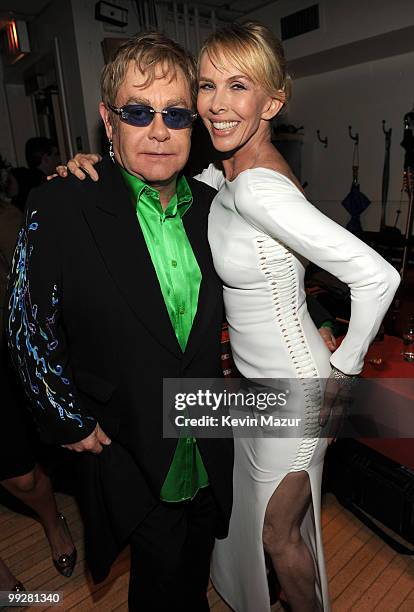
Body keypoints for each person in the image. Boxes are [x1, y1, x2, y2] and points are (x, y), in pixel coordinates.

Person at [61, 22, 400, 612]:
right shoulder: (228, 174)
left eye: (238, 86)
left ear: (272, 101)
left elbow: (379, 277)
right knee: (219, 479)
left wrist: (340, 377)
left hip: (300, 392)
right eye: (208, 85)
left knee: (278, 533)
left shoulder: (259, 190)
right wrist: (99, 159)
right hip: (251, 385)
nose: (216, 104)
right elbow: (178, 179)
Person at [7, 32, 233, 611]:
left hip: (207, 433)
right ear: (109, 123)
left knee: (193, 567)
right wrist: (66, 420)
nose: (158, 129)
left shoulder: (216, 209)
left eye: (176, 115)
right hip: (128, 441)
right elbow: (27, 324)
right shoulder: (63, 203)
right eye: (138, 112)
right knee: (157, 583)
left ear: (193, 126)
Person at [0, 173, 76, 591]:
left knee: (21, 478)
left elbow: (33, 299)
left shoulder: (7, 219)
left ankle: (52, 520)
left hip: (2, 361)